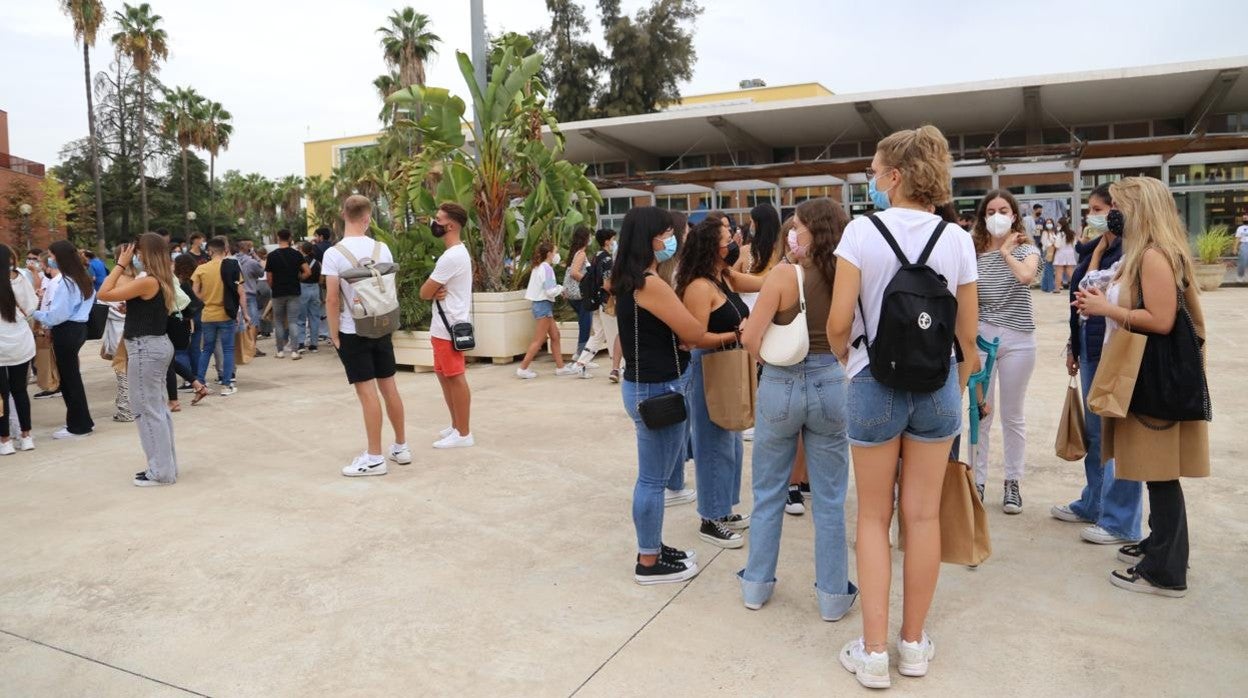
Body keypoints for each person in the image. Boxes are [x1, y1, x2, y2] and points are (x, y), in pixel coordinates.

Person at [827, 125, 978, 688]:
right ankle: (913, 646)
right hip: (936, 388)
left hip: (873, 383)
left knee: (871, 516)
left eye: (873, 170)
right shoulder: (956, 239)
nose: (871, 179)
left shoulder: (861, 234)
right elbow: (967, 333)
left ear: (894, 176)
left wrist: (852, 360)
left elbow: (839, 324)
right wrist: (955, 385)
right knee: (922, 516)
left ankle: (871, 655)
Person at [1073, 176, 1210, 597]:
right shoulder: (1148, 252)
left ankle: (1166, 571)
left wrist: (1105, 308)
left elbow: (1162, 320)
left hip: (1153, 376)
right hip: (1152, 375)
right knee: (1155, 470)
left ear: (1138, 208)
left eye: (1117, 205)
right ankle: (1158, 544)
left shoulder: (1153, 255)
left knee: (1161, 472)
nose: (1112, 213)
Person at [739, 197, 858, 620]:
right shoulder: (846, 273)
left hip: (781, 383)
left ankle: (756, 585)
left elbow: (751, 338)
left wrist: (768, 360)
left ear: (810, 230)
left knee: (768, 491)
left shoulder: (783, 275)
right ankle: (831, 597)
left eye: (797, 226)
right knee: (829, 498)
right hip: (830, 381)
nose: (792, 233)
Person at [613, 206, 707, 585]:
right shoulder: (650, 284)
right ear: (650, 239)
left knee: (655, 474)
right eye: (668, 232)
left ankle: (653, 545)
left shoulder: (629, 279)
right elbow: (694, 331)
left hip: (646, 384)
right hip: (657, 388)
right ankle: (648, 561)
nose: (674, 239)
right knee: (652, 480)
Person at [1052, 184, 1144, 545]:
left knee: (1116, 435)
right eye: (1090, 208)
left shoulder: (1131, 252)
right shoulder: (1096, 248)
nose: (1092, 215)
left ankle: (1120, 520)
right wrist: (1074, 347)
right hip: (1090, 347)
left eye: (1098, 208)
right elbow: (1080, 299)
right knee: (1095, 433)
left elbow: (1097, 294)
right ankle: (1095, 502)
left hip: (1114, 349)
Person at [675, 217, 764, 549]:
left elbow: (759, 283)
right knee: (713, 443)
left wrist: (794, 271)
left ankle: (723, 509)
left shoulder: (723, 277)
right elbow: (695, 338)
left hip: (730, 363)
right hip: (710, 365)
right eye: (728, 238)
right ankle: (710, 518)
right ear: (712, 245)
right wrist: (737, 333)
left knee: (732, 442)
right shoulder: (699, 286)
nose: (734, 242)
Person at [324, 195, 410, 474]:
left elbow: (332, 298)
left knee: (367, 392)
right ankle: (401, 446)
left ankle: (374, 458)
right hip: (381, 325)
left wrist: (334, 334)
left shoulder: (334, 253)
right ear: (367, 218)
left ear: (343, 215)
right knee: (389, 387)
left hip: (353, 328)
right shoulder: (381, 248)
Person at [970, 189, 1040, 511]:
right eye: (991, 210)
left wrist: (1008, 253)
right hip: (982, 338)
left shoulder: (1026, 248)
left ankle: (1013, 483)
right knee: (981, 414)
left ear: (1014, 215)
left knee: (1013, 415)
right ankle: (977, 482)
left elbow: (1026, 277)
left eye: (1004, 210)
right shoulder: (972, 250)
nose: (997, 215)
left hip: (1018, 340)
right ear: (983, 216)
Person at [97, 234, 181, 486]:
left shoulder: (148, 281)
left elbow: (103, 292)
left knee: (146, 410)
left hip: (146, 349)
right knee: (157, 409)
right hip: (153, 346)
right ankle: (165, 466)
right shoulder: (158, 278)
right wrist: (131, 307)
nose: (136, 256)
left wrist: (120, 264)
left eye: (139, 252)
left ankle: (161, 472)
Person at [420, 202, 475, 450]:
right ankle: (456, 426)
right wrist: (435, 291)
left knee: (455, 378)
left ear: (450, 225)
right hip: (443, 325)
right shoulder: (456, 253)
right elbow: (431, 291)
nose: (435, 222)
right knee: (445, 377)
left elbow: (424, 292)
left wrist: (433, 291)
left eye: (439, 219)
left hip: (449, 324)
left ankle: (463, 433)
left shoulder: (452, 256)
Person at [32, 240, 98, 439]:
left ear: (60, 257)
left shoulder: (67, 282)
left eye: (51, 256)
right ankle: (82, 420)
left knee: (70, 380)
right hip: (77, 329)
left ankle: (78, 426)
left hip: (66, 329)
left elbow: (57, 315)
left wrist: (34, 313)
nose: (50, 260)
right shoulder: (81, 278)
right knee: (72, 379)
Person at [192, 236, 248, 396]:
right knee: (228, 349)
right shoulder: (232, 266)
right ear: (225, 250)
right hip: (226, 313)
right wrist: (244, 313)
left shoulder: (201, 269)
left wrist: (206, 299)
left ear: (209, 252)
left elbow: (195, 291)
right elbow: (240, 291)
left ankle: (200, 382)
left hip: (208, 314)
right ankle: (226, 385)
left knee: (207, 349)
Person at [517, 241, 579, 379]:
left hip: (540, 305)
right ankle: (523, 368)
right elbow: (550, 291)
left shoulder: (538, 267)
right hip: (543, 305)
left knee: (555, 335)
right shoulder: (547, 269)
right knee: (539, 340)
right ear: (550, 254)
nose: (557, 255)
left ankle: (561, 367)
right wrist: (561, 289)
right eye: (555, 252)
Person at [0, 245, 37, 455]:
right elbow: (31, 307)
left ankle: (4, 440)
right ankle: (26, 436)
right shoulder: (20, 278)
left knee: (1, 394)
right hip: (20, 342)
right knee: (20, 391)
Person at [171, 254, 211, 406]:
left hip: (188, 318)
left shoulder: (180, 283)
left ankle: (189, 381)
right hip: (200, 314)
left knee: (181, 351)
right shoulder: (195, 278)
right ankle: (198, 378)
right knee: (195, 348)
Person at [266, 230, 309, 360]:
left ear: (278, 238)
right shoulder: (296, 254)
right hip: (294, 291)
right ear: (290, 238)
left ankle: (280, 351)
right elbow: (308, 271)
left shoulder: (272, 256)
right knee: (293, 321)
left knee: (278, 322)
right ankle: (295, 351)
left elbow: (269, 277)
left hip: (278, 292)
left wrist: (274, 287)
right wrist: (299, 279)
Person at [30, 251, 60, 400]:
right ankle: (55, 383)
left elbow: (52, 306)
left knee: (53, 357)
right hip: (47, 321)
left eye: (41, 264)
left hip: (50, 323)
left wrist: (46, 326)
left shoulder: (55, 281)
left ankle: (54, 384)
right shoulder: (50, 280)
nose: (40, 267)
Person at [563, 227, 594, 359]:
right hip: (581, 294)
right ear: (586, 239)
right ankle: (581, 356)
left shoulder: (574, 253)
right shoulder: (581, 254)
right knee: (585, 324)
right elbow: (574, 272)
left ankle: (581, 354)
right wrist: (588, 281)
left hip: (573, 294)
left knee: (584, 323)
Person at [234, 241, 267, 358]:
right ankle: (251, 348)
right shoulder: (251, 262)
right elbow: (262, 271)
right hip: (249, 294)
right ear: (249, 249)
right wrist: (256, 256)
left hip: (235, 295)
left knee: (238, 322)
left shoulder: (232, 260)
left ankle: (240, 348)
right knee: (253, 322)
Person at [296, 241, 323, 353]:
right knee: (315, 317)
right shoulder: (318, 263)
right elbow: (321, 279)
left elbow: (298, 275)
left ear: (302, 249)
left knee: (301, 318)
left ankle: (301, 343)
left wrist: (301, 279)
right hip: (315, 288)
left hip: (303, 288)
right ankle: (314, 344)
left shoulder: (300, 262)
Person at [1053, 217, 1078, 291]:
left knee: (1059, 272)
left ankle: (1057, 289)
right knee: (1070, 272)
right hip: (1070, 253)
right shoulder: (1072, 233)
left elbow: (1057, 245)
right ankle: (1076, 287)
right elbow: (1075, 244)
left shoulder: (1060, 234)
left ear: (1061, 225)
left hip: (1060, 253)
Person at [1040, 218, 1058, 292]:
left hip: (1053, 251)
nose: (1049, 224)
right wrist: (1052, 243)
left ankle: (1044, 287)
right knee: (1049, 269)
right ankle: (1050, 287)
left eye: (1050, 222)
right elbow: (1044, 242)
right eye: (1047, 223)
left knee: (1047, 270)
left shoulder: (1054, 232)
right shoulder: (1045, 232)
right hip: (1047, 251)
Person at [1235, 212, 1248, 281]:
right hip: (1244, 245)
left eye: (1246, 217)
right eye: (1244, 218)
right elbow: (1237, 238)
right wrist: (1235, 248)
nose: (1245, 219)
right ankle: (1240, 276)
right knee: (1243, 261)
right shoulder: (1240, 228)